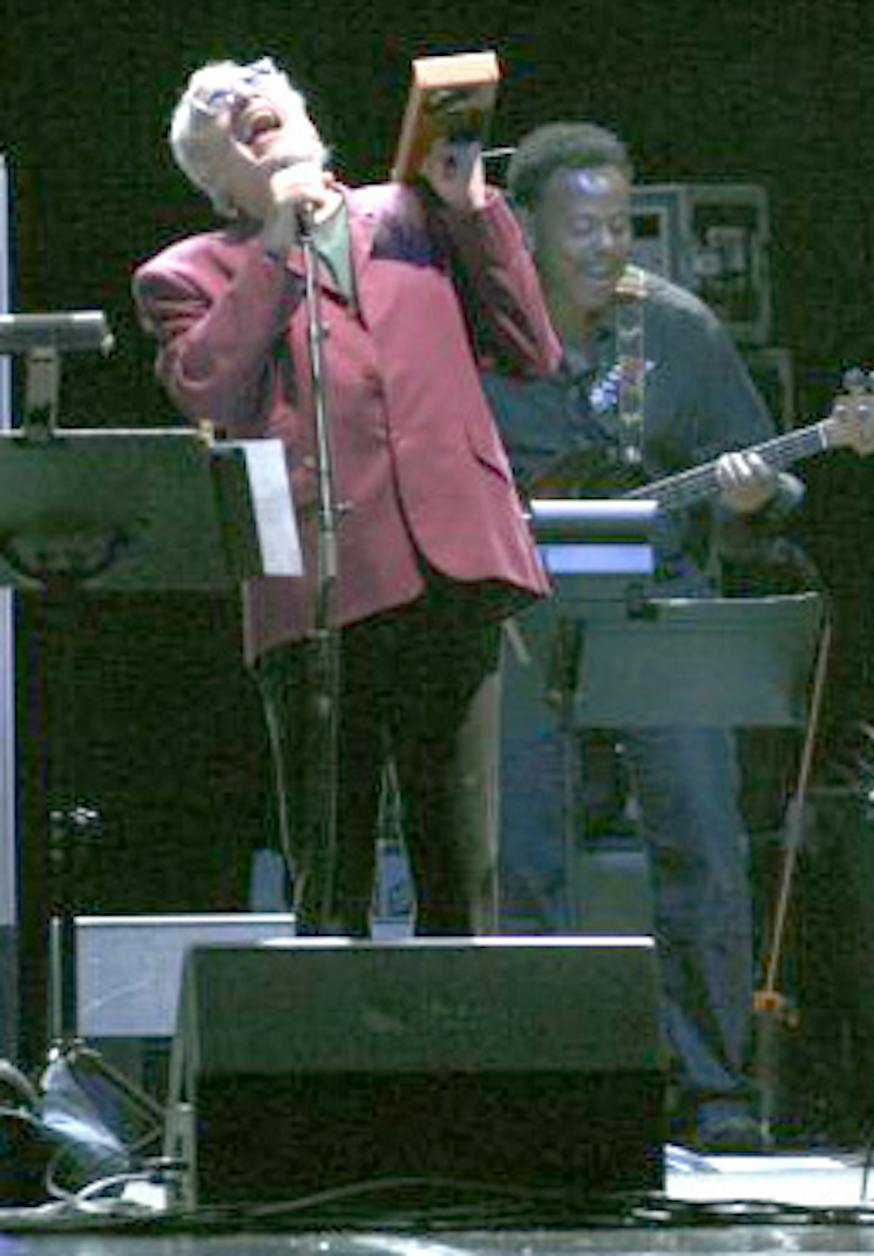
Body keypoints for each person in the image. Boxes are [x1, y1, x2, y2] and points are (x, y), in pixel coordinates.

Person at [134, 57, 559, 938]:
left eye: (258, 85)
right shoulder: (185, 274)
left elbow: (532, 348)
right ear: (214, 180)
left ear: (306, 117)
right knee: (331, 877)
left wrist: (473, 202)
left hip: (453, 569)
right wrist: (278, 250)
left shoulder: (412, 215)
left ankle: (465, 1067)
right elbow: (209, 386)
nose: (241, 98)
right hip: (316, 587)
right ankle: (336, 1072)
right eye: (213, 106)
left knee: (460, 865)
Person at [482, 121, 799, 1152]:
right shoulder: (473, 331)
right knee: (522, 850)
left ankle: (714, 1089)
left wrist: (757, 494)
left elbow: (767, 485)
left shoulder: (676, 328)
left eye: (619, 224)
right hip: (521, 616)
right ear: (524, 226)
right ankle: (540, 1085)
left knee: (704, 838)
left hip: (659, 604)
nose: (606, 246)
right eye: (582, 227)